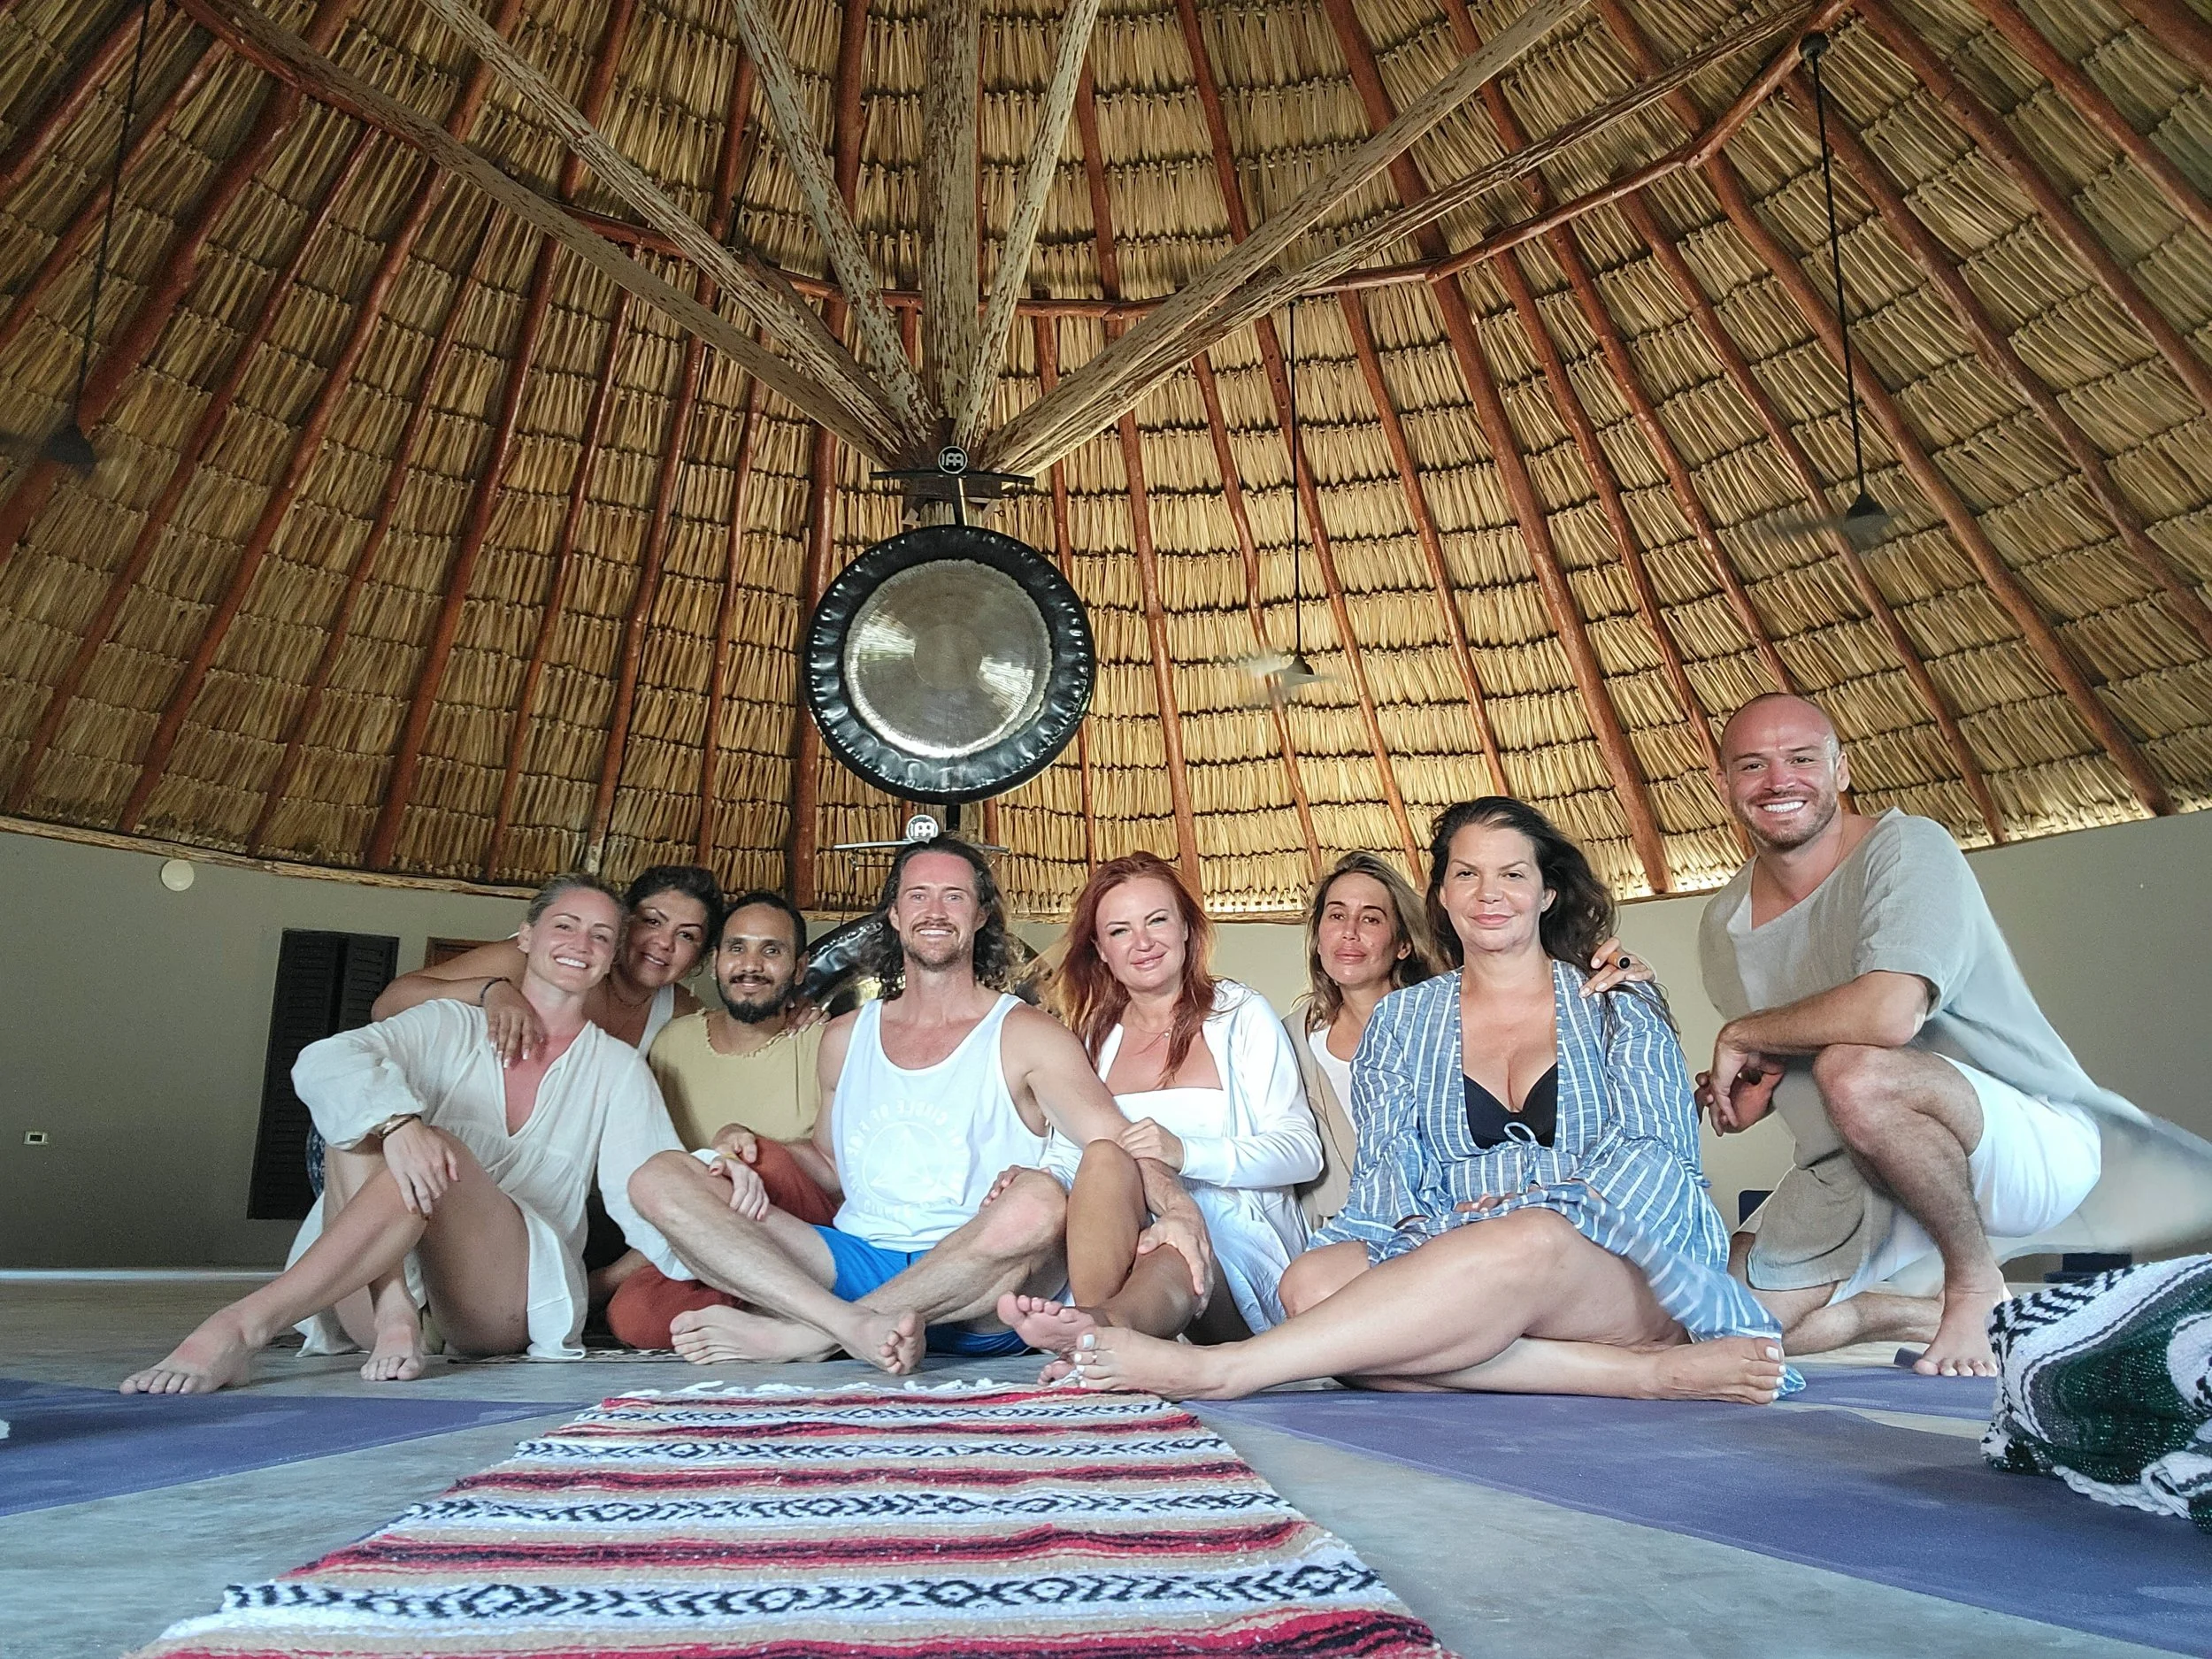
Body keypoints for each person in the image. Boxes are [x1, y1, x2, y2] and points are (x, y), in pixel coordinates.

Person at [1044, 798, 1791, 1404]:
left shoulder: (1615, 994)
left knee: (1518, 1240)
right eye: (1466, 874)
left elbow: (1657, 1161)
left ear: (1547, 890)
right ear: (1441, 894)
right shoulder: (1404, 1020)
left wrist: (1504, 1212)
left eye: (1511, 874)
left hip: (1622, 1265)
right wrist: (1438, 1239)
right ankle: (1642, 1378)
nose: (1488, 894)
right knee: (1314, 1285)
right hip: (1463, 1253)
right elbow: (1386, 1183)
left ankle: (1226, 1371)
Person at [1699, 694, 2212, 1375]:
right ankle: (1907, 1308)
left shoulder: (1909, 847)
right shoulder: (1723, 922)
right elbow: (1786, 1051)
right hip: (1858, 1166)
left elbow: (1888, 1015)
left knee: (1858, 1071)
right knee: (1716, 1326)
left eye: (1801, 758)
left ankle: (1975, 1286)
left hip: (2016, 1140)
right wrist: (1756, 1087)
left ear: (1841, 769)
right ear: (1723, 783)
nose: (1778, 780)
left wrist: (1745, 1031)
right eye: (1752, 764)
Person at [624, 837, 1213, 1374]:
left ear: (980, 915)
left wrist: (1180, 1210)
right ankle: (844, 1327)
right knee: (659, 1176)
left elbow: (1115, 1138)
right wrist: (745, 1146)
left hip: (981, 1286)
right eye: (919, 895)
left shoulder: (1026, 1033)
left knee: (1038, 1200)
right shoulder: (844, 1037)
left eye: (954, 895)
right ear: (895, 913)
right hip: (855, 1263)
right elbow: (832, 1162)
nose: (935, 910)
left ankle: (801, 1336)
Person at [121, 875, 691, 1394]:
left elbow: (651, 1189)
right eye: (564, 926)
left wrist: (721, 1194)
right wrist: (398, 1125)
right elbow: (326, 1059)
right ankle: (393, 1304)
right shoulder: (445, 1023)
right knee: (362, 1115)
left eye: (600, 935)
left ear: (612, 955)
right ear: (525, 937)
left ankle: (242, 1325)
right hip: (373, 1303)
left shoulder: (618, 1070)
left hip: (494, 1307)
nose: (580, 944)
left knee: (432, 1142)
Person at [997, 853, 1317, 1356]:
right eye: (1120, 931)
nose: (1142, 943)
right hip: (1119, 1236)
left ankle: (1101, 1330)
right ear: (1101, 950)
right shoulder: (1091, 1037)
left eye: (1157, 921)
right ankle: (1103, 1337)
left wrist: (1185, 1153)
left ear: (1188, 928)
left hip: (1229, 1241)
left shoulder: (1239, 1014)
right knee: (1104, 1155)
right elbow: (1069, 1157)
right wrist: (1033, 1177)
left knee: (1173, 1243)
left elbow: (1302, 1151)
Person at [1286, 854, 1659, 1227]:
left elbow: (1641, 1124)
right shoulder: (1289, 1040)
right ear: (1317, 935)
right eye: (1336, 915)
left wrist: (1628, 977)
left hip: (1469, 1222)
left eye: (1371, 918)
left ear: (1403, 944)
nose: (1350, 931)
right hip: (1350, 1228)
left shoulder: (1452, 1018)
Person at [603, 890, 840, 1348]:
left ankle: (797, 1310)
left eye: (771, 950)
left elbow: (841, 1177)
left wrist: (742, 1150)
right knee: (633, 1315)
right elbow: (662, 1178)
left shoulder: (826, 1041)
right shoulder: (673, 1043)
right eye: (737, 948)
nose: (750, 965)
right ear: (714, 961)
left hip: (801, 1233)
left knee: (761, 1161)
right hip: (707, 1241)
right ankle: (782, 1316)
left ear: (800, 967)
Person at [372, 864, 718, 1057]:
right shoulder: (535, 961)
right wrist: (491, 991)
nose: (663, 943)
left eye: (686, 935)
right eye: (652, 921)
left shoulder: (684, 1016)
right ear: (622, 924)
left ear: (700, 958)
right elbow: (388, 1005)